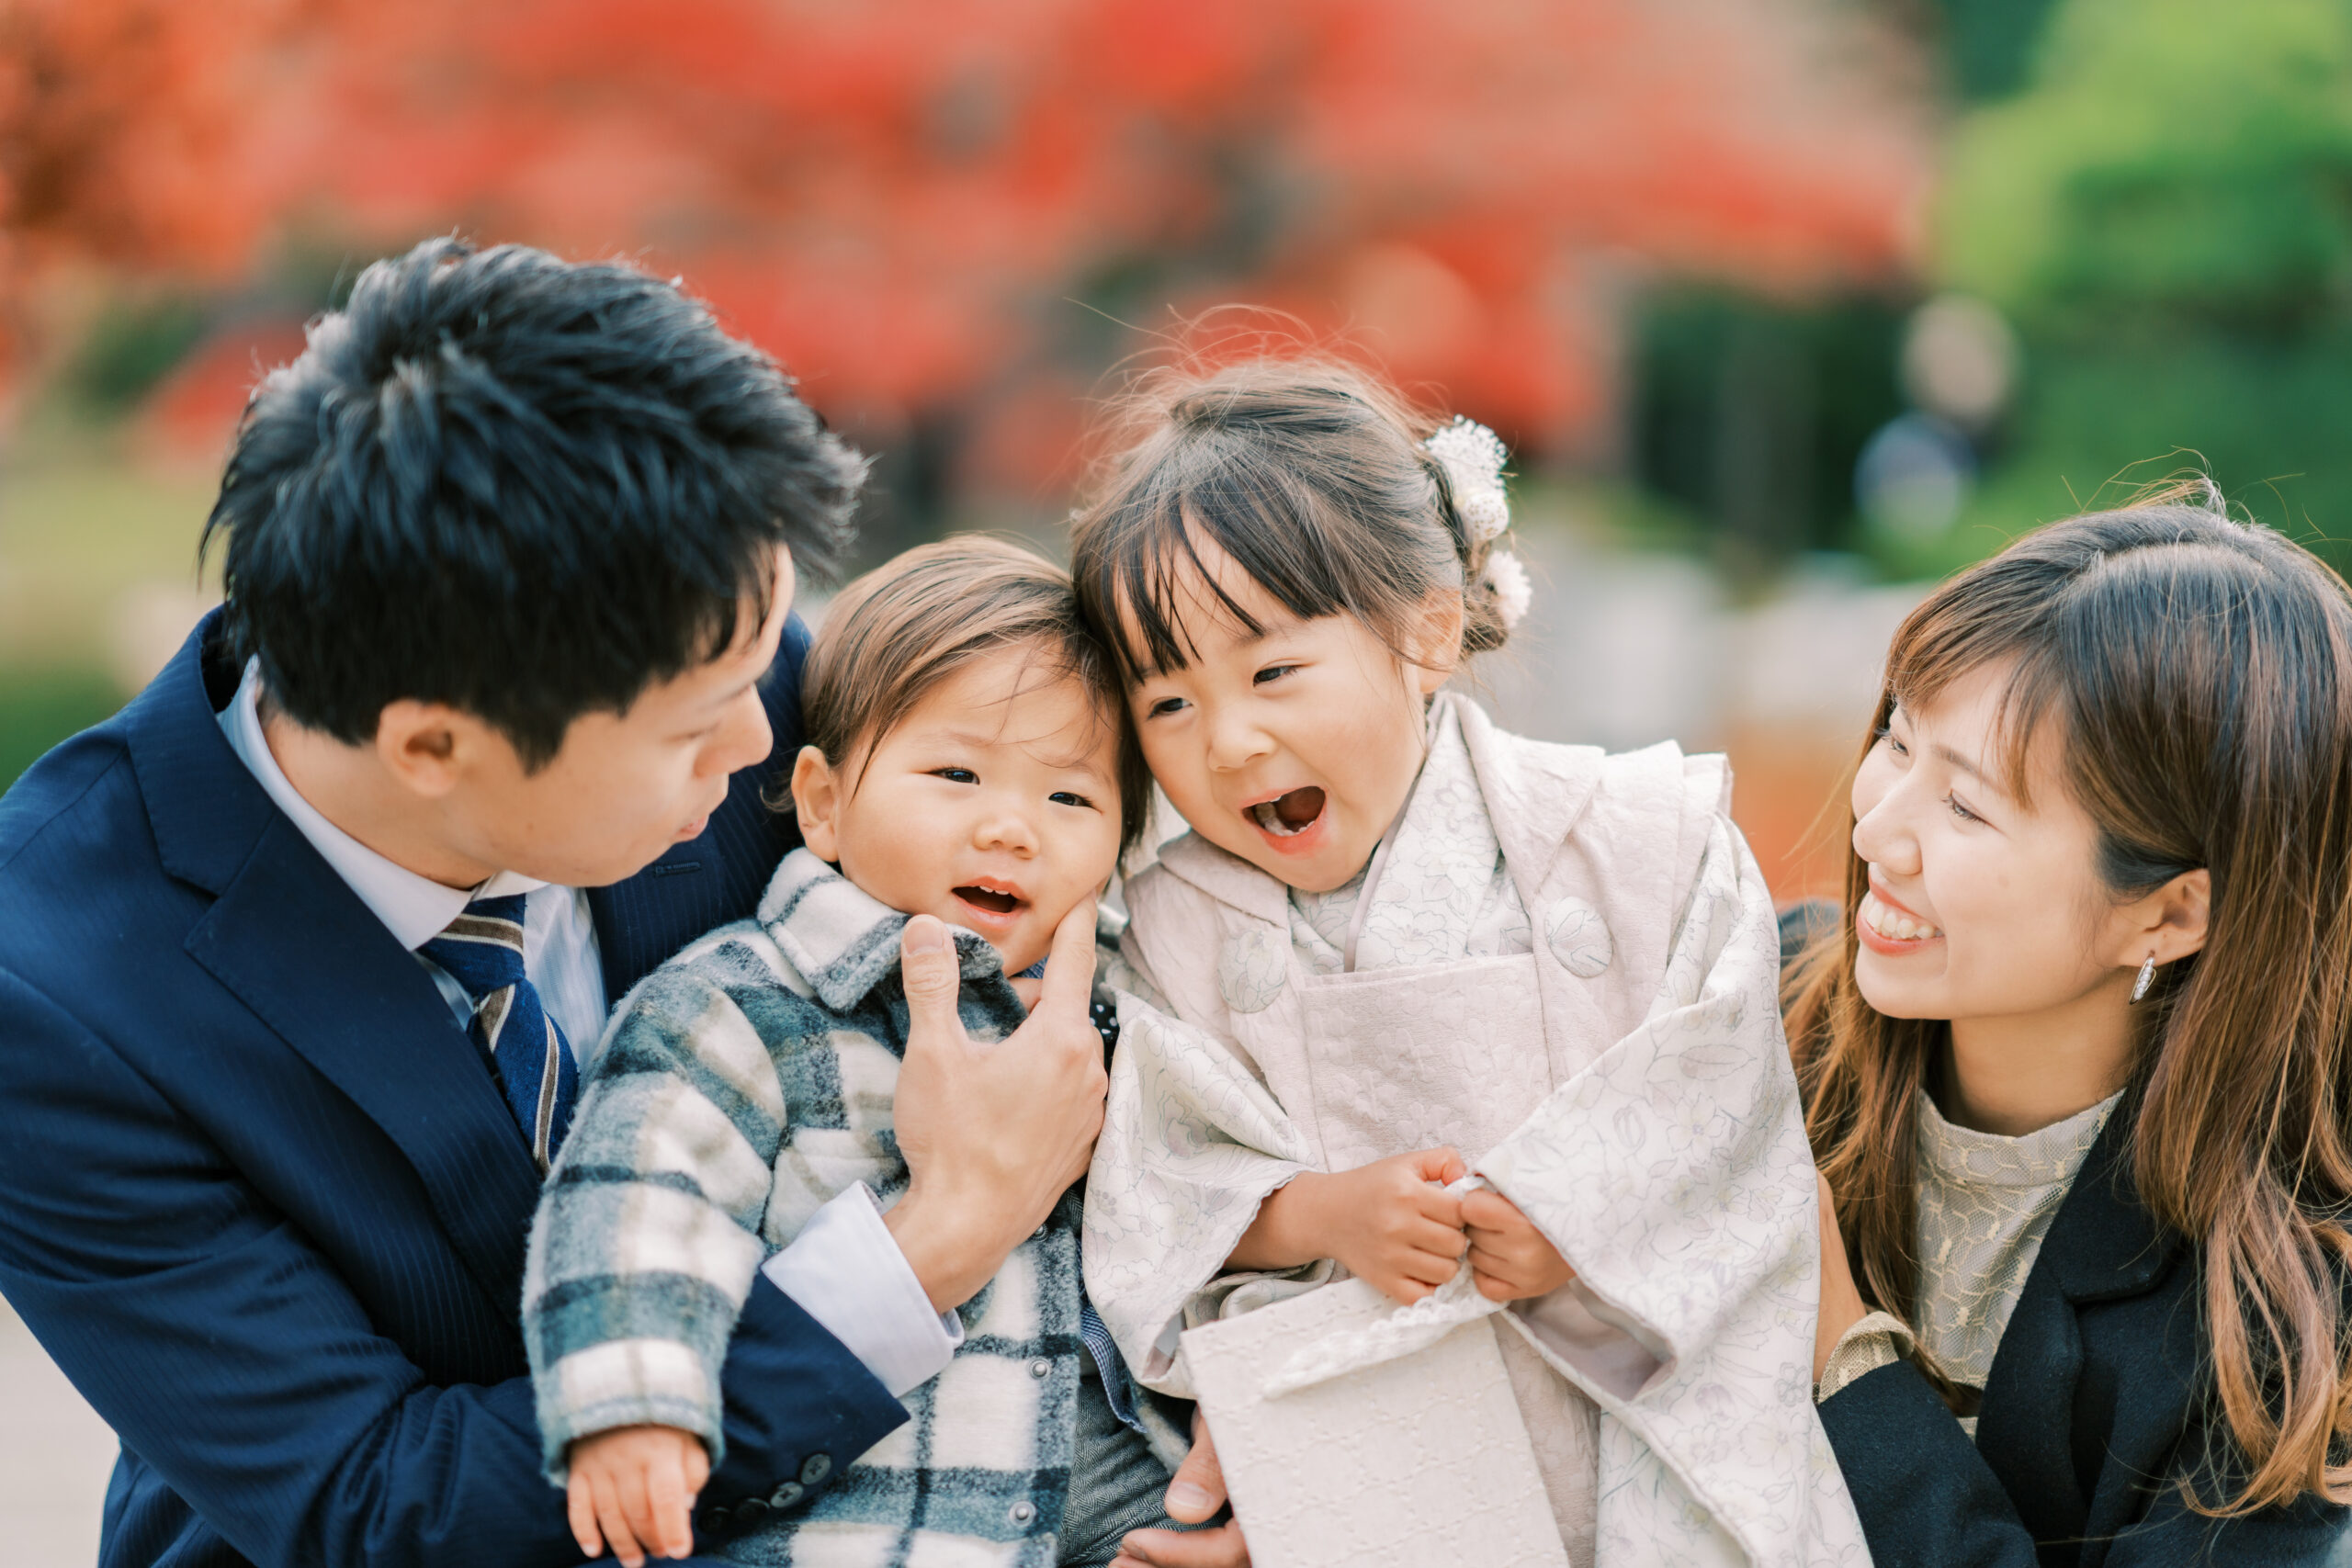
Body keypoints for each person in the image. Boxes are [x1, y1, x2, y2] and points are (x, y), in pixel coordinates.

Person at [0, 238, 1117, 1568]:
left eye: (767, 664)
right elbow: (385, 1503)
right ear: (430, 745)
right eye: (700, 732)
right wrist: (935, 1239)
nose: (763, 754)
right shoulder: (54, 993)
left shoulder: (713, 661)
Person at [1069, 362, 1866, 1564]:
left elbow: (1732, 1122)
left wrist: (1579, 1224)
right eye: (1167, 703)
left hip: (1636, 1438)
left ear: (1428, 629)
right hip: (1374, 1469)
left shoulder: (1639, 839)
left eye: (1272, 670)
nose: (1230, 741)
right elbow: (1145, 1187)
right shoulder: (1166, 930)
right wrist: (1316, 1213)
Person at [525, 537, 1193, 1568]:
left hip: (1114, 1507)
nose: (1011, 827)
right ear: (825, 803)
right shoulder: (747, 1006)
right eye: (956, 773)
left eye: (1070, 798)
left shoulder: (1126, 1000)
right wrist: (632, 1406)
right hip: (861, 1528)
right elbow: (636, 1201)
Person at [1788, 495, 2352, 1562]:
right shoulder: (1750, 1017)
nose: (1877, 827)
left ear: (2168, 911)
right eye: (1898, 740)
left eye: (1964, 808)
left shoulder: (2293, 1308)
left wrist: (1841, 1352)